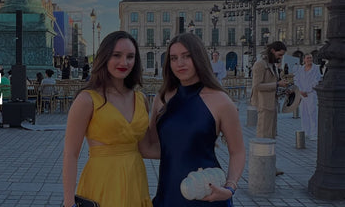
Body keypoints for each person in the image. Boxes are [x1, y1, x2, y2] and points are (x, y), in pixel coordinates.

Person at [141, 33, 245, 207]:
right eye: (174, 58)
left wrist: (230, 187)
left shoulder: (221, 101)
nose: (179, 63)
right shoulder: (162, 98)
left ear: (199, 57)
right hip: (169, 194)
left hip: (207, 193)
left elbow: (238, 151)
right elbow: (150, 148)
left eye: (187, 56)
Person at [63, 31, 152, 207]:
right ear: (104, 57)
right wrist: (68, 203)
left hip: (136, 181)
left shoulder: (141, 99)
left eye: (130, 56)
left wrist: (190, 149)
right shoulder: (87, 99)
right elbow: (71, 154)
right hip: (102, 181)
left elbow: (146, 148)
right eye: (116, 55)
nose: (124, 62)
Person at [251, 41, 288, 176]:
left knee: (271, 137)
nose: (280, 57)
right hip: (264, 105)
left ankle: (270, 166)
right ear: (272, 51)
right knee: (263, 137)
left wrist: (283, 89)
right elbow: (257, 86)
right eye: (279, 54)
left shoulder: (271, 65)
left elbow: (272, 85)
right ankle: (262, 168)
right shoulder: (260, 64)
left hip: (272, 105)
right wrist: (277, 84)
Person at [294, 54, 321, 141]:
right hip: (302, 94)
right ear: (304, 59)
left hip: (311, 93)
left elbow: (317, 80)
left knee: (312, 114)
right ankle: (306, 131)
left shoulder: (316, 68)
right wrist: (301, 90)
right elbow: (296, 80)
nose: (310, 59)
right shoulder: (300, 69)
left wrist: (308, 90)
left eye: (311, 58)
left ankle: (314, 133)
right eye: (308, 58)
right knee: (304, 113)